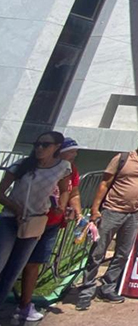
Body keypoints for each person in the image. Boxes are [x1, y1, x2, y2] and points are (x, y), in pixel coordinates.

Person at [77, 130, 138, 311]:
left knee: (123, 252)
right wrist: (94, 209)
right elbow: (105, 183)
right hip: (112, 210)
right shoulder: (122, 158)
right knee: (98, 252)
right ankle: (86, 290)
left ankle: (107, 287)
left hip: (135, 213)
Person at [0, 132, 72, 320]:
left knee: (15, 268)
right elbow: (0, 191)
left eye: (45, 145)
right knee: (1, 261)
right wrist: (14, 208)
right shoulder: (22, 165)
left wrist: (62, 207)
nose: (39, 148)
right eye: (37, 144)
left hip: (35, 221)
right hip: (10, 219)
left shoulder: (63, 168)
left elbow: (66, 190)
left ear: (57, 147)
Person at [16, 137, 83, 323]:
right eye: (71, 151)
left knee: (35, 262)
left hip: (52, 223)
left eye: (76, 152)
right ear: (58, 151)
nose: (74, 155)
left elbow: (73, 193)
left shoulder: (71, 170)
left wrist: (76, 211)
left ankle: (24, 304)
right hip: (31, 220)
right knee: (15, 261)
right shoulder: (43, 167)